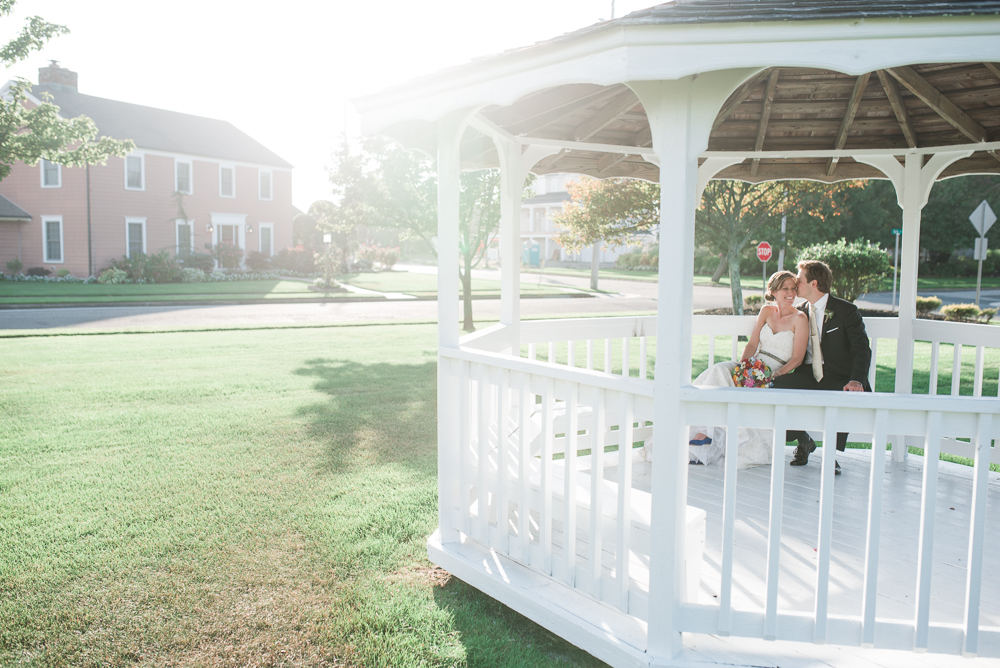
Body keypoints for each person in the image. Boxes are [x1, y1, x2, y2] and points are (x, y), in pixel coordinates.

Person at [688, 270, 808, 469]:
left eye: (794, 288)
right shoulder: (766, 311)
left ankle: (716, 437)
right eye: (785, 288)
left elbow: (797, 358)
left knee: (736, 389)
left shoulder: (800, 319)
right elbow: (752, 344)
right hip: (751, 365)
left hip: (775, 373)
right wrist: (742, 368)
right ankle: (704, 432)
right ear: (774, 291)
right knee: (719, 371)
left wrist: (773, 375)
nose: (791, 293)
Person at [772, 260, 872, 474]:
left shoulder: (846, 311)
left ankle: (831, 455)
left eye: (799, 281)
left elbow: (862, 349)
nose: (795, 285)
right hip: (808, 373)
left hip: (839, 376)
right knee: (776, 387)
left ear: (814, 284)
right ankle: (803, 440)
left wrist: (856, 380)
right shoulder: (798, 311)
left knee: (842, 396)